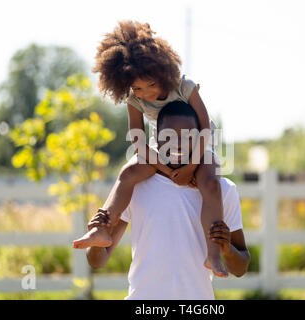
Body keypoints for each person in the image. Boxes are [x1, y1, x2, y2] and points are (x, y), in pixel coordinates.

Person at [73, 20, 228, 277]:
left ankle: (213, 253)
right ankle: (102, 226)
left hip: (198, 143)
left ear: (162, 72)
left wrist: (191, 167)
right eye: (137, 88)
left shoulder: (184, 86)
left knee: (211, 183)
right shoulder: (134, 99)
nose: (145, 93)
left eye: (151, 85)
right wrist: (165, 167)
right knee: (127, 173)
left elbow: (206, 129)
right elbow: (138, 140)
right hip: (162, 147)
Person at [86, 101, 251, 299]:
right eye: (170, 136)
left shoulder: (222, 191)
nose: (178, 144)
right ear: (157, 139)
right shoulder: (137, 185)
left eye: (188, 137)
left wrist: (227, 248)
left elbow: (240, 267)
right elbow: (97, 261)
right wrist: (97, 238)